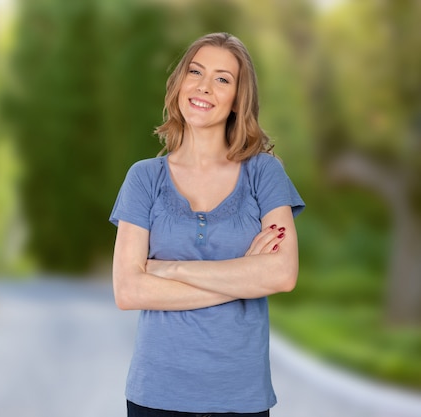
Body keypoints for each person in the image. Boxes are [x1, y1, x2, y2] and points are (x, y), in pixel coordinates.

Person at [109, 32, 305, 417]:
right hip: (156, 394)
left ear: (237, 99)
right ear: (179, 82)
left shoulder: (263, 173)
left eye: (222, 79)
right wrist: (245, 279)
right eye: (195, 72)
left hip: (241, 395)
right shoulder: (144, 178)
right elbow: (128, 290)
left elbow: (282, 274)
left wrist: (172, 270)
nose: (204, 87)